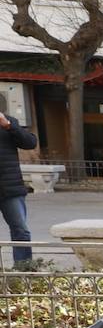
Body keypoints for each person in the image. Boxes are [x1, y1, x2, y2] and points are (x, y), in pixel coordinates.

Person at [0, 92, 38, 266]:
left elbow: (30, 143)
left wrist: (8, 126)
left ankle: (23, 271)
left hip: (11, 189)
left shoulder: (8, 122)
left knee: (20, 230)